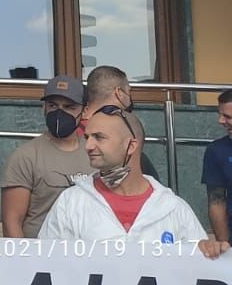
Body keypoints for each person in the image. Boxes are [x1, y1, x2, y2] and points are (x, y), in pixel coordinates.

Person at [42, 106, 228, 259]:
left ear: (131, 145)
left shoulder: (173, 208)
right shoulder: (70, 203)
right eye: (87, 137)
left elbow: (197, 268)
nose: (89, 146)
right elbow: (47, 262)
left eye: (99, 137)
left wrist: (208, 251)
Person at [0, 75, 94, 238]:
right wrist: (23, 260)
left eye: (69, 107)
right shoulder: (26, 156)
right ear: (44, 108)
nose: (59, 112)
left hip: (87, 253)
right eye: (53, 105)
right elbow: (11, 221)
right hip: (40, 255)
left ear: (85, 111)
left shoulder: (95, 152)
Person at [80, 65, 159, 178]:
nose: (89, 145)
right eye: (128, 91)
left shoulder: (71, 132)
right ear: (119, 92)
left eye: (99, 137)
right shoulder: (129, 139)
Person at [203, 89, 232, 243]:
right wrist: (224, 244)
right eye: (220, 115)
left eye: (227, 116)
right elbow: (216, 202)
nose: (220, 121)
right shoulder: (216, 150)